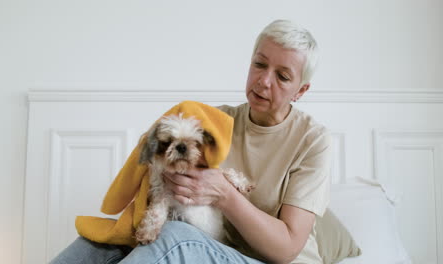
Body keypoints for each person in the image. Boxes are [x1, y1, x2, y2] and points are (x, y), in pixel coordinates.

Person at [51, 19, 331, 264]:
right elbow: (152, 147)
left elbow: (287, 249)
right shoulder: (214, 122)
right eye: (259, 64)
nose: (264, 81)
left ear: (301, 91)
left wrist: (224, 194)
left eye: (282, 76)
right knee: (100, 241)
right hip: (215, 249)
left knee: (176, 236)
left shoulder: (312, 141)